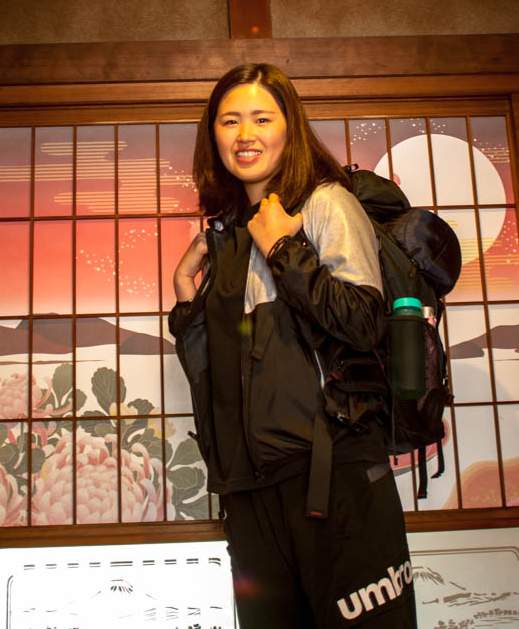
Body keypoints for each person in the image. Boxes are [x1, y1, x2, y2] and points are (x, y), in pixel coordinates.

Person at [169, 63, 417, 628]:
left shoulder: (327, 204)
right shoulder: (228, 234)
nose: (245, 134)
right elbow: (222, 378)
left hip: (334, 476)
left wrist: (285, 249)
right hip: (251, 492)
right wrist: (187, 304)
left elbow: (364, 323)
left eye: (262, 118)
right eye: (229, 121)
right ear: (213, 136)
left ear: (290, 127)